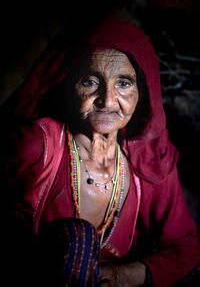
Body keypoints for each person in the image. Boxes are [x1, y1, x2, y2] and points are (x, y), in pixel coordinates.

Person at [1, 15, 200, 287]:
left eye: (124, 83)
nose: (107, 100)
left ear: (142, 94)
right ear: (68, 85)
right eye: (90, 81)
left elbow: (186, 247)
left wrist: (123, 276)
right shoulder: (37, 146)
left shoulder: (147, 162)